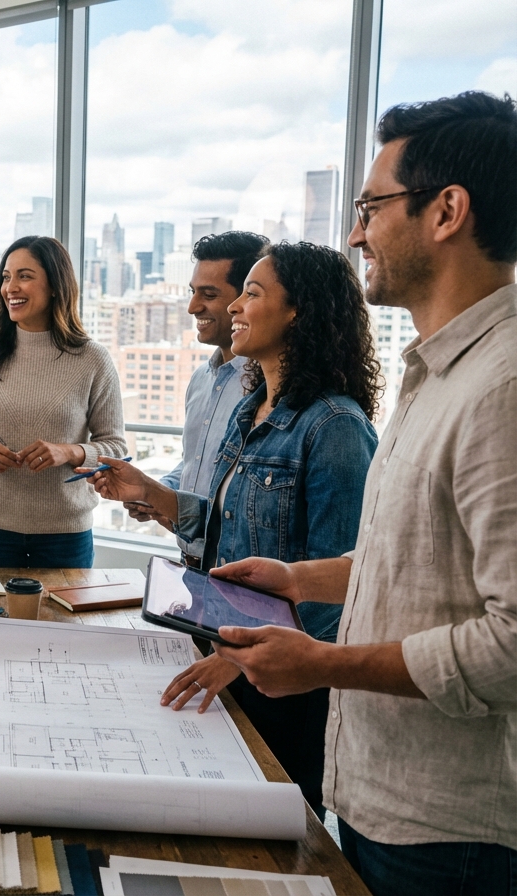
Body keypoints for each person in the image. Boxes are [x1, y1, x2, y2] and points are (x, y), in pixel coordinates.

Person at [202, 92, 516, 896]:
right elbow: (412, 559)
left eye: (371, 207)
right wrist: (300, 579)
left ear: (447, 211)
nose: (354, 233)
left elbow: (512, 642)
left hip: (447, 827)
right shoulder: (437, 371)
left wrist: (324, 661)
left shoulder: (502, 388)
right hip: (380, 796)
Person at [87, 241, 380, 815]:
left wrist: (240, 656)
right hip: (222, 653)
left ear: (299, 311)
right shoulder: (250, 412)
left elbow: (340, 590)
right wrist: (153, 493)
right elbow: (223, 530)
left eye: (252, 292)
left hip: (280, 684)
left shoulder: (337, 427)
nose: (236, 309)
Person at [0, 236, 126, 568]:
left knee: (60, 622)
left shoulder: (93, 359)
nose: (11, 287)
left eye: (24, 276)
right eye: (6, 277)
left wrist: (70, 452)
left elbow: (116, 447)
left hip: (65, 537)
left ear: (55, 285)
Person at [138, 231, 269, 563]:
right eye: (193, 292)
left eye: (208, 294)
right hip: (190, 561)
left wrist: (161, 496)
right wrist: (151, 491)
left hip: (238, 569)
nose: (193, 307)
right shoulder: (200, 379)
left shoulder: (268, 387)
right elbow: (195, 461)